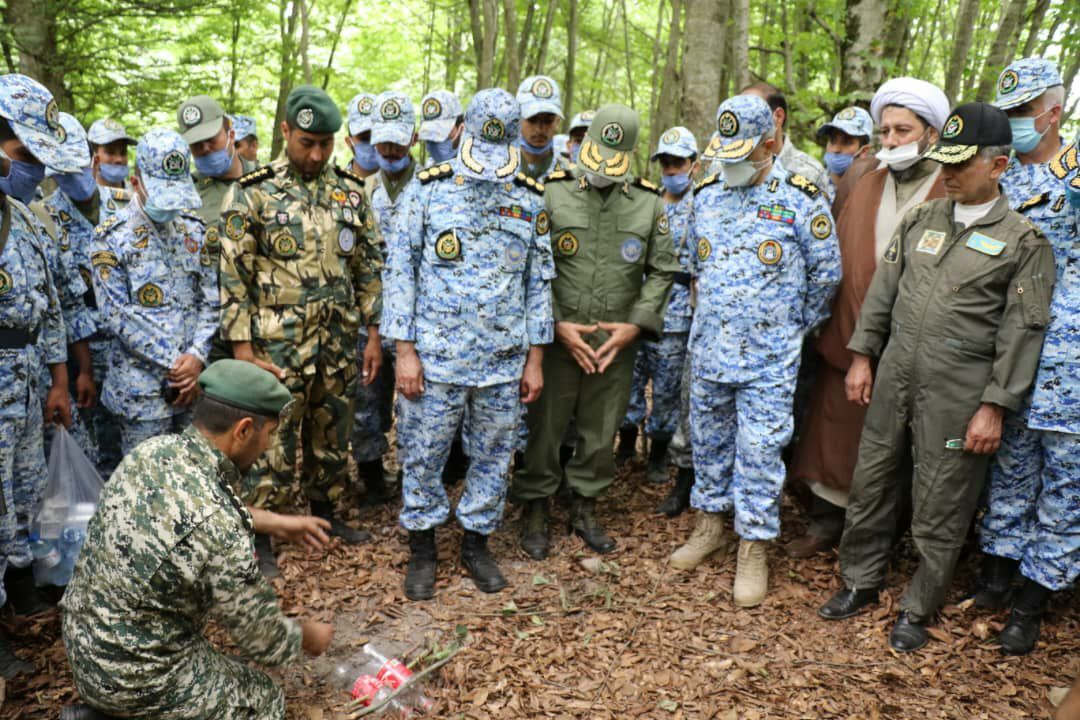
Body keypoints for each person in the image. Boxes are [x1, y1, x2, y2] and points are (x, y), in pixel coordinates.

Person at [818, 102, 1056, 654]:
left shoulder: (1024, 242)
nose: (947, 174)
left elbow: (1022, 333)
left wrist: (994, 406)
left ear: (997, 167)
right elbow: (883, 294)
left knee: (941, 500)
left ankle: (918, 607)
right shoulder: (923, 220)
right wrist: (861, 357)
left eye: (961, 164)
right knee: (872, 480)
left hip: (959, 389)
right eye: (943, 161)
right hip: (896, 371)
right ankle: (860, 581)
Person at [61, 359, 335, 720]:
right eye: (269, 433)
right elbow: (262, 638)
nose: (268, 445)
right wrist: (306, 635)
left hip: (84, 641)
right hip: (129, 674)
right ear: (243, 430)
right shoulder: (219, 527)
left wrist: (276, 523)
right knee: (263, 698)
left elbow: (194, 513)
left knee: (216, 664)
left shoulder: (153, 452)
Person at [668, 96, 841, 608]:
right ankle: (710, 525)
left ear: (770, 144)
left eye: (743, 154)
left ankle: (753, 544)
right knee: (710, 440)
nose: (732, 165)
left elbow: (826, 276)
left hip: (770, 358)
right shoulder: (706, 194)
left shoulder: (801, 197)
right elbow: (691, 266)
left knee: (761, 451)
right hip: (710, 351)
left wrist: (788, 326)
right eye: (725, 154)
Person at [384, 88, 554, 599]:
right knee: (423, 452)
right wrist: (405, 352)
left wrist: (536, 360)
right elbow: (400, 272)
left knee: (494, 457)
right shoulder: (428, 190)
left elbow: (538, 281)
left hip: (502, 362)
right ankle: (423, 545)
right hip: (435, 360)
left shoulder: (528, 196)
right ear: (463, 133)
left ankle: (477, 541)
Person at [785, 78, 950, 558]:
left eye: (904, 130)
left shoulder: (948, 186)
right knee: (835, 430)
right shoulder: (866, 179)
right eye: (885, 131)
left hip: (916, 339)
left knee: (898, 445)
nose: (892, 141)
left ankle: (886, 534)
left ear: (932, 133)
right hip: (851, 329)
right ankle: (825, 520)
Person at [218, 84, 383, 553]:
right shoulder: (252, 194)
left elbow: (369, 266)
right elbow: (233, 274)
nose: (315, 154)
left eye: (325, 144)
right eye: (306, 143)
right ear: (285, 131)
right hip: (277, 344)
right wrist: (243, 351)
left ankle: (325, 514)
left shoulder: (351, 194)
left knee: (333, 430)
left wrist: (373, 334)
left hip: (336, 340)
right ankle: (262, 536)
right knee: (271, 441)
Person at [513, 103, 677, 559]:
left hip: (614, 343)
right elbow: (529, 266)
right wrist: (553, 325)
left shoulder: (648, 203)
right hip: (557, 338)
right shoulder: (551, 193)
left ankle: (584, 504)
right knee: (545, 426)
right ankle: (537, 505)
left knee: (601, 429)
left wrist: (635, 326)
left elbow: (664, 270)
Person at [974, 58, 1076, 655]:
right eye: (1007, 112)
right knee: (1009, 466)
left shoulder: (1076, 171)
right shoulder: (999, 175)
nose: (1012, 123)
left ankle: (1034, 599)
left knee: (1065, 480)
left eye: (1021, 113)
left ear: (1053, 111)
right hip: (1009, 352)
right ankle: (996, 575)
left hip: (1071, 356)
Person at [0, 74, 76, 672]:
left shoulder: (21, 216)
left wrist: (56, 379)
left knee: (24, 496)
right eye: (25, 155)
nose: (32, 170)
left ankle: (21, 591)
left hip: (26, 381)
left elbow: (49, 306)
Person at [90, 128, 216, 455]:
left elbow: (212, 299)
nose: (171, 206)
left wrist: (198, 357)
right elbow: (116, 315)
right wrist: (177, 363)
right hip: (141, 396)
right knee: (145, 491)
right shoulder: (111, 238)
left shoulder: (194, 229)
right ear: (136, 182)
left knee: (191, 482)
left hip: (193, 388)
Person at [619, 127, 699, 494]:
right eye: (665, 163)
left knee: (666, 388)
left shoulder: (703, 205)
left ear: (693, 164)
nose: (671, 170)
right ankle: (626, 442)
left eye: (678, 162)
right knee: (631, 381)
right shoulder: (645, 201)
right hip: (639, 305)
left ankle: (659, 453)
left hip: (678, 312)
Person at [35, 113, 103, 471]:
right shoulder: (43, 216)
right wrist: (82, 369)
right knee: (85, 456)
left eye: (77, 167)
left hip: (127, 354)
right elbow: (65, 303)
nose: (72, 179)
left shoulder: (124, 204)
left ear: (94, 159)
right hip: (74, 354)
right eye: (62, 173)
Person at [741, 81, 831, 192]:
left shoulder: (810, 172)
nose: (742, 121)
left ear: (778, 116)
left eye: (751, 113)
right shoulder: (724, 167)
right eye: (738, 114)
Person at [816, 106, 876, 212]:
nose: (836, 149)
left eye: (846, 142)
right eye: (832, 141)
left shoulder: (872, 193)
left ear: (864, 151)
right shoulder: (812, 185)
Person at [516, 75, 564, 180]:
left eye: (548, 121)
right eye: (532, 119)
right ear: (518, 119)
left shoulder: (567, 174)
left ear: (557, 121)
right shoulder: (500, 168)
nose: (539, 129)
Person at [86, 118, 135, 192]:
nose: (119, 159)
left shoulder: (138, 195)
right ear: (93, 154)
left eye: (123, 152)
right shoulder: (83, 197)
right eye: (110, 152)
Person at [418, 89, 464, 166]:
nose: (434, 141)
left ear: (461, 128)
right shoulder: (429, 167)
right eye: (429, 135)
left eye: (443, 134)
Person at [344, 92, 379, 179]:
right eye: (365, 138)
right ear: (349, 142)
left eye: (377, 136)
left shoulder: (406, 185)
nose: (372, 143)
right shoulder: (334, 188)